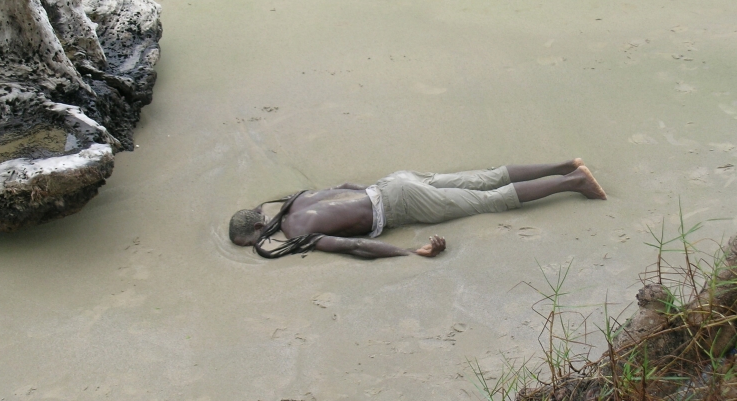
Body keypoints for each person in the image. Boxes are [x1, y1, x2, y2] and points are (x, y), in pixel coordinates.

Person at [229, 159, 606, 259]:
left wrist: (410, 252)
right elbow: (345, 188)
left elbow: (352, 246)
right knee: (483, 178)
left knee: (489, 200)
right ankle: (565, 164)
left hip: (402, 203)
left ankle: (574, 182)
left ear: (259, 230)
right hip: (392, 183)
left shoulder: (297, 233)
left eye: (254, 242)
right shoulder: (297, 200)